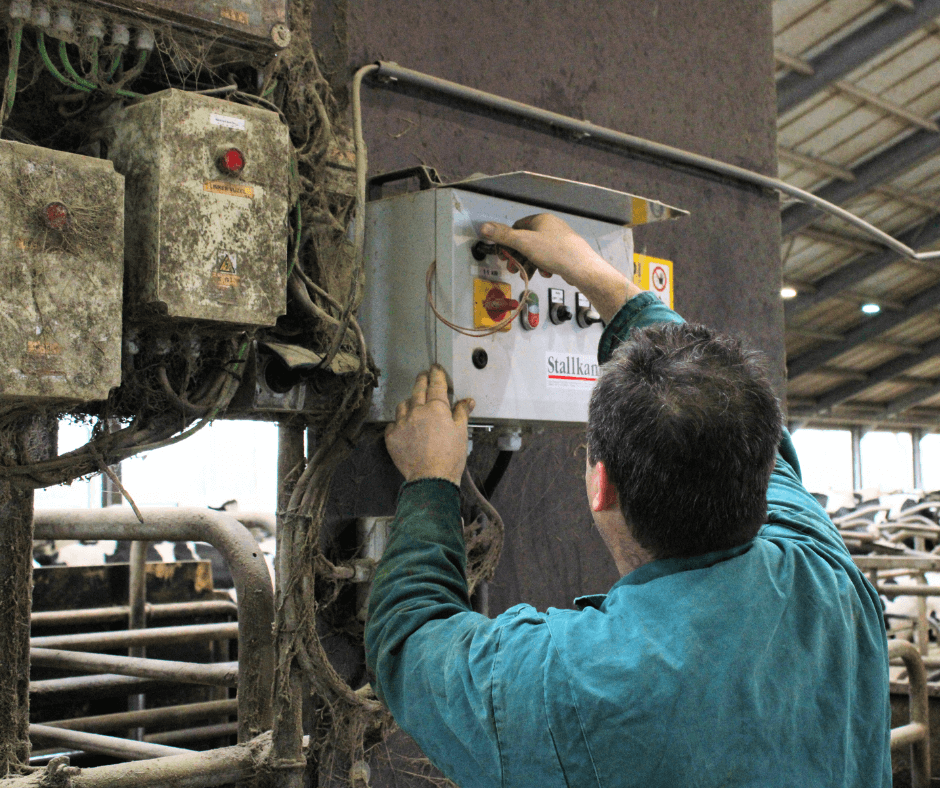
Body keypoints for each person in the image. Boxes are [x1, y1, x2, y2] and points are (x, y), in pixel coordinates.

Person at [365, 214, 891, 787]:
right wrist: (599, 276)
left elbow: (412, 637)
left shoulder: (571, 685)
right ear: (760, 472)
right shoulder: (826, 577)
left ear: (600, 485)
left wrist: (430, 478)